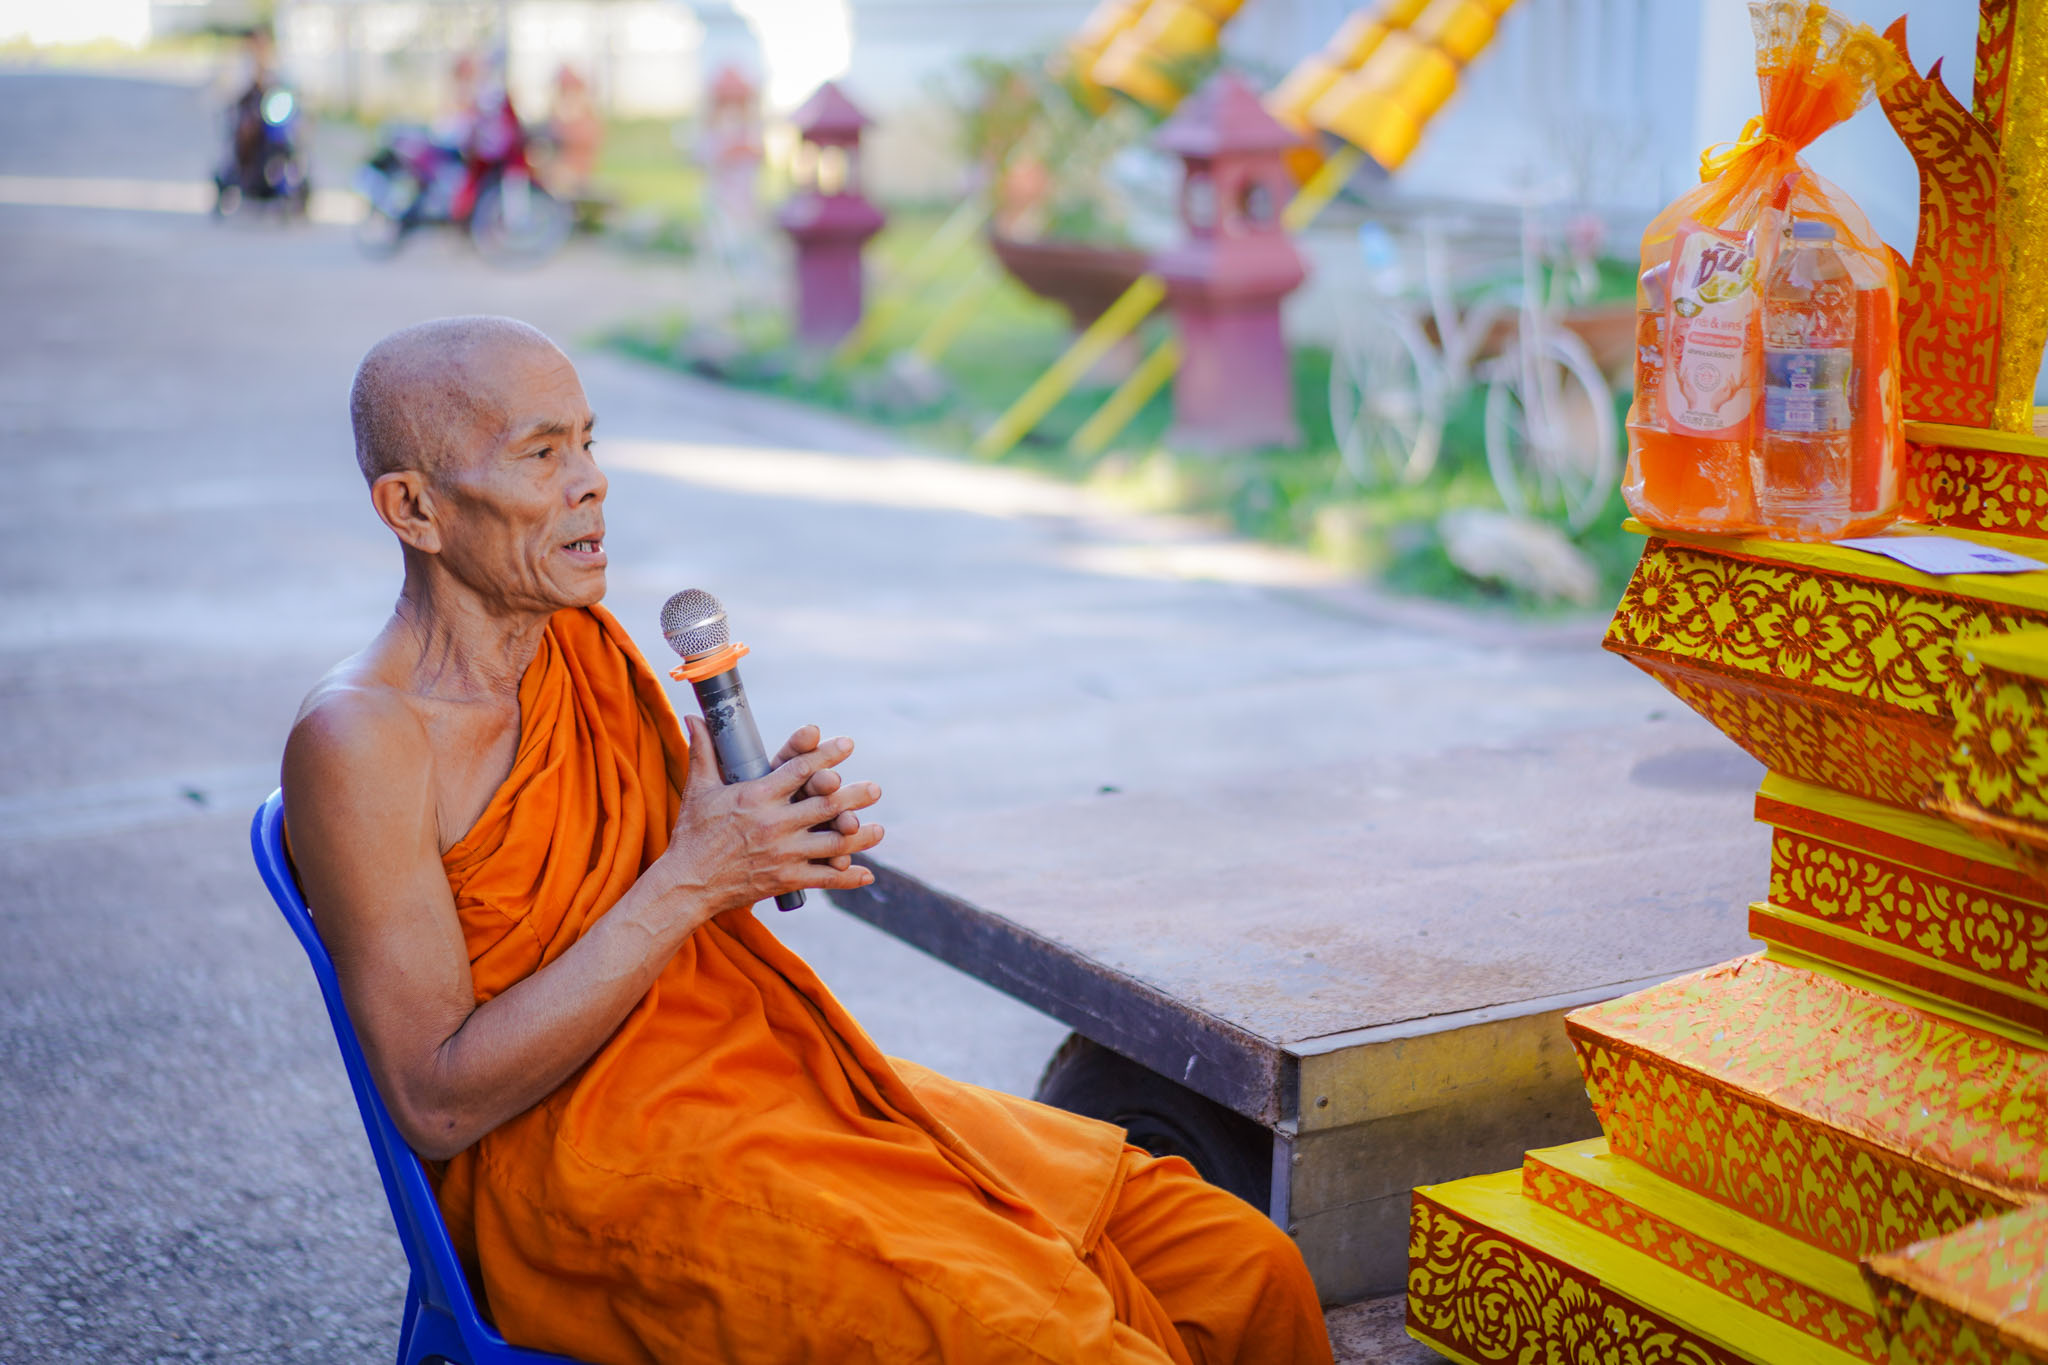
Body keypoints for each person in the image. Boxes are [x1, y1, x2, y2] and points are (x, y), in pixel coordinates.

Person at [281, 315, 1334, 1365]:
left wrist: (758, 837)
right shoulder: (363, 741)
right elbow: (438, 1101)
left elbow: (636, 897)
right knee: (1050, 1341)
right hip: (589, 1159)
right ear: (413, 508)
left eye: (588, 442)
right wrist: (693, 877)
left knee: (1236, 1260)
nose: (591, 482)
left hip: (762, 1074)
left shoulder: (575, 646)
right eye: (540, 453)